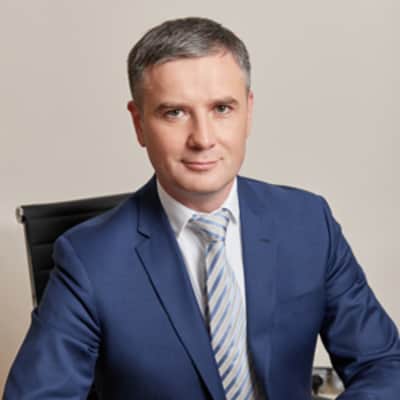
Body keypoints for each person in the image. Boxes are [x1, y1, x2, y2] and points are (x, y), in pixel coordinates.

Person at [4, 17, 400, 400]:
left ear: (248, 111)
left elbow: (383, 364)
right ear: (139, 123)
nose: (203, 138)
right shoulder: (88, 260)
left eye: (222, 108)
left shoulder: (308, 222)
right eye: (174, 113)